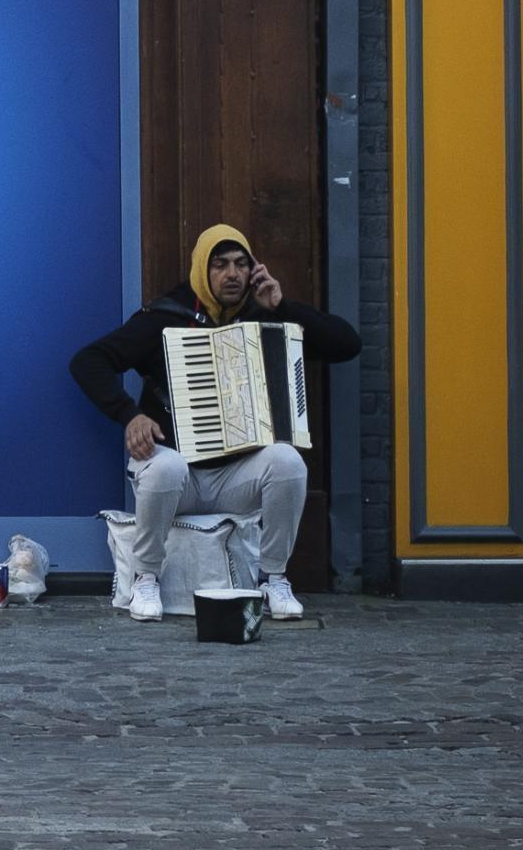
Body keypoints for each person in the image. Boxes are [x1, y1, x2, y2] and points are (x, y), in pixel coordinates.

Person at [68, 224, 359, 624]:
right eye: (220, 265)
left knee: (287, 460)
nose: (232, 274)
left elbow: (348, 344)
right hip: (177, 477)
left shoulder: (263, 318)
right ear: (202, 269)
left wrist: (282, 307)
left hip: (232, 479)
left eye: (241, 264)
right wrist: (129, 415)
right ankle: (145, 578)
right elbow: (88, 361)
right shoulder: (165, 319)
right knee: (166, 464)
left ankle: (273, 579)